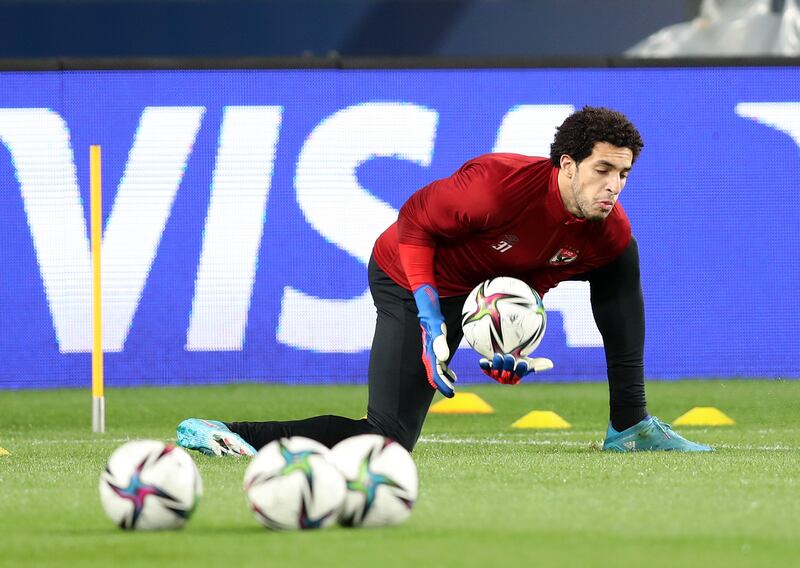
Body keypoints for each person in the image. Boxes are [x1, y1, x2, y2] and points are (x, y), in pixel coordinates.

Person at [176, 106, 711, 456]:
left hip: (473, 293)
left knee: (621, 258)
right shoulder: (494, 188)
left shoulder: (604, 227)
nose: (614, 185)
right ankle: (228, 432)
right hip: (409, 277)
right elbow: (413, 228)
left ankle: (631, 426)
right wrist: (432, 323)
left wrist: (502, 342)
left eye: (623, 174)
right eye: (602, 170)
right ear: (566, 165)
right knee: (386, 441)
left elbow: (531, 274)